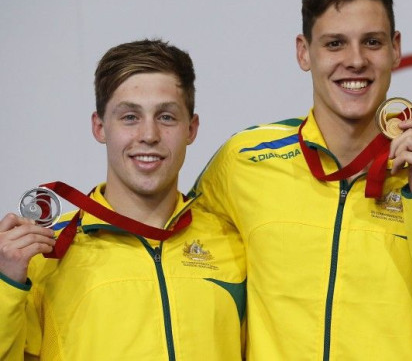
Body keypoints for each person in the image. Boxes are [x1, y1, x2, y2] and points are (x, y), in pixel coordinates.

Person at [192, 0, 412, 360]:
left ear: (396, 49)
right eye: (335, 43)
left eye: (372, 42)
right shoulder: (244, 162)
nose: (356, 60)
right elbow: (182, 277)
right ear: (303, 51)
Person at [0, 40, 247, 360]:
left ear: (191, 128)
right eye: (130, 117)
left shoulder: (234, 244)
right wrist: (5, 283)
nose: (149, 135)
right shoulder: (43, 254)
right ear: (100, 127)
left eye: (167, 117)